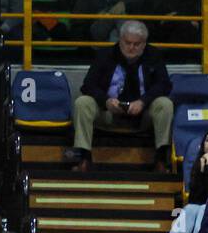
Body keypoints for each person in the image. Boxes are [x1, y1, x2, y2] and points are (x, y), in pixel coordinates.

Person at [66, 21, 174, 173]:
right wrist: (106, 101)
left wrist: (143, 102)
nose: (131, 48)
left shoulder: (153, 55)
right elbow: (88, 85)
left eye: (137, 44)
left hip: (142, 114)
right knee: (82, 103)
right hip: (109, 112)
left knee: (165, 104)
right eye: (127, 43)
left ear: (144, 44)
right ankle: (84, 158)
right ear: (120, 39)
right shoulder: (105, 55)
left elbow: (164, 85)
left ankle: (161, 160)